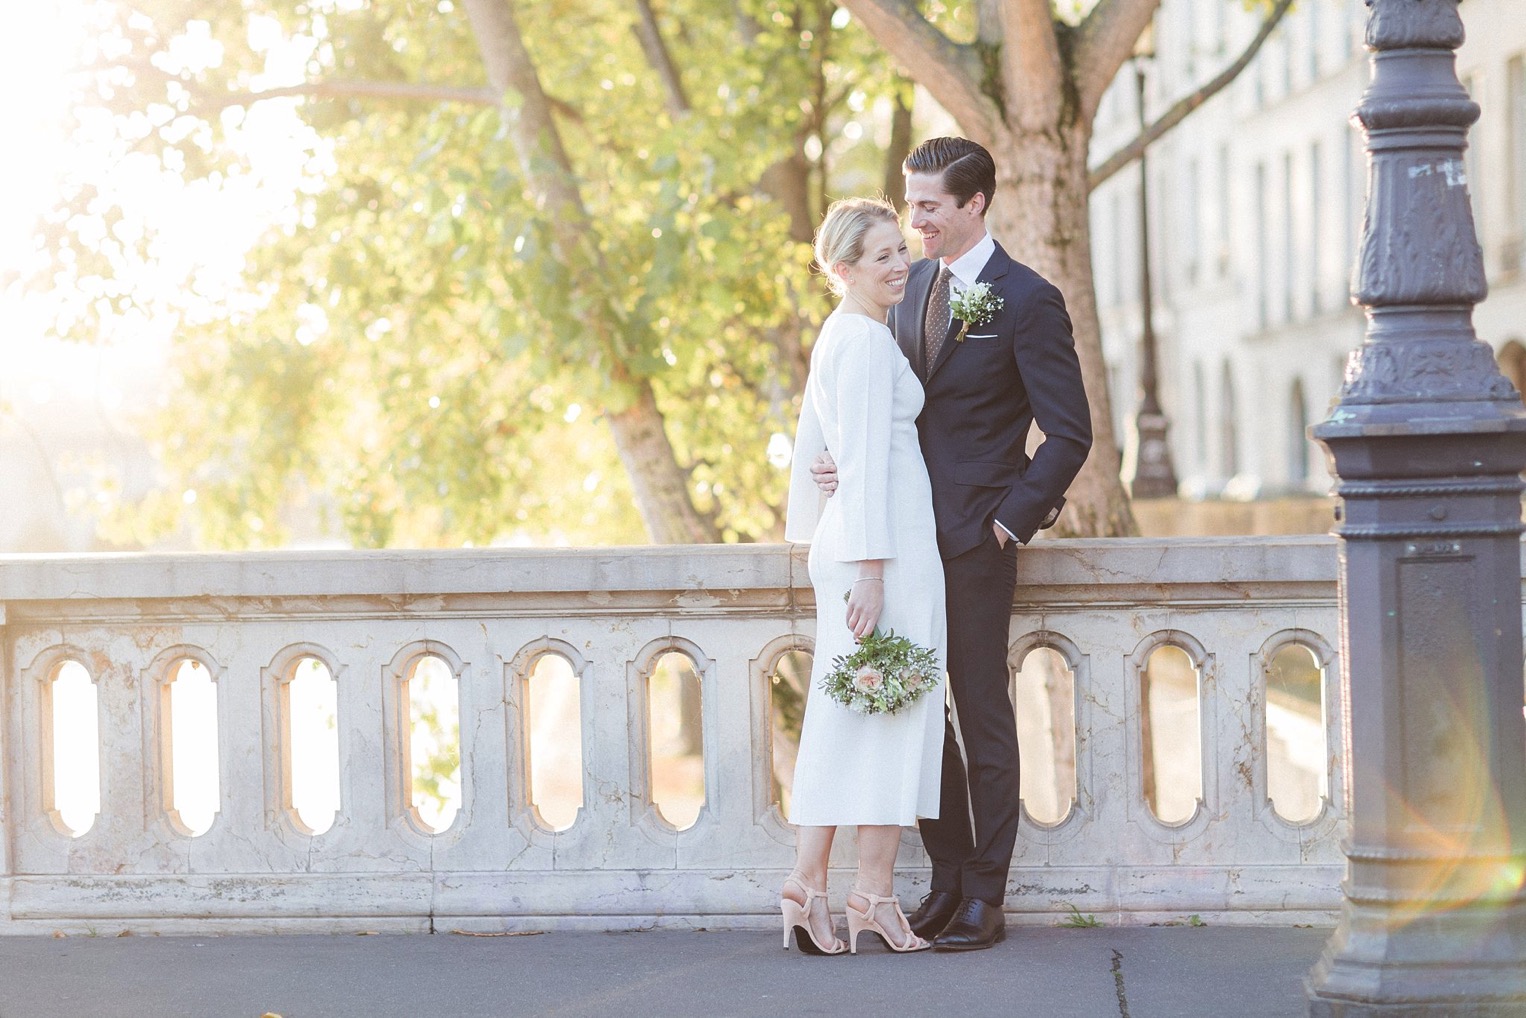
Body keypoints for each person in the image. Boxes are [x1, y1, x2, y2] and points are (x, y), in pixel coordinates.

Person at [812, 138, 1092, 951]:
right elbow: (881, 405)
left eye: (930, 205)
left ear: (975, 204)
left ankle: (986, 896)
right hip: (899, 542)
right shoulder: (908, 284)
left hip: (972, 543)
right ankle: (944, 878)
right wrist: (847, 469)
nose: (916, 220)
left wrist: (1008, 521)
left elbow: (1070, 433)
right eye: (911, 205)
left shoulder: (1028, 300)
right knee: (913, 715)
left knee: (979, 710)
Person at [780, 197, 947, 956]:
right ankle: (863, 893)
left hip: (860, 548)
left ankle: (818, 888)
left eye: (899, 249)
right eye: (880, 255)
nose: (898, 264)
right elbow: (867, 464)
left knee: (856, 718)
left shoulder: (841, 336)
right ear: (842, 269)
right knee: (886, 715)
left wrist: (828, 516)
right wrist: (872, 571)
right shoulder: (868, 344)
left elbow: (833, 451)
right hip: (883, 558)